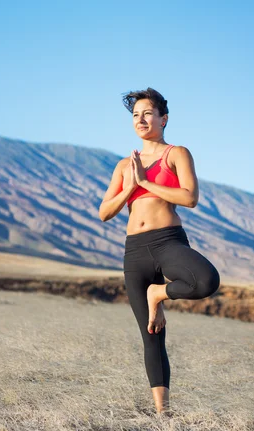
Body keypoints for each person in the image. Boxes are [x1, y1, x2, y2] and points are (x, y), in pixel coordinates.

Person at [98, 87, 221, 414]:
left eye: (147, 113)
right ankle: (163, 414)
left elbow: (189, 198)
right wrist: (129, 187)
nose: (141, 119)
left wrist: (146, 183)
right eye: (136, 115)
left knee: (206, 281)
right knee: (151, 334)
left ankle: (159, 294)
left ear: (163, 119)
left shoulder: (177, 153)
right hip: (134, 251)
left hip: (168, 241)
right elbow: (104, 212)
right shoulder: (125, 165)